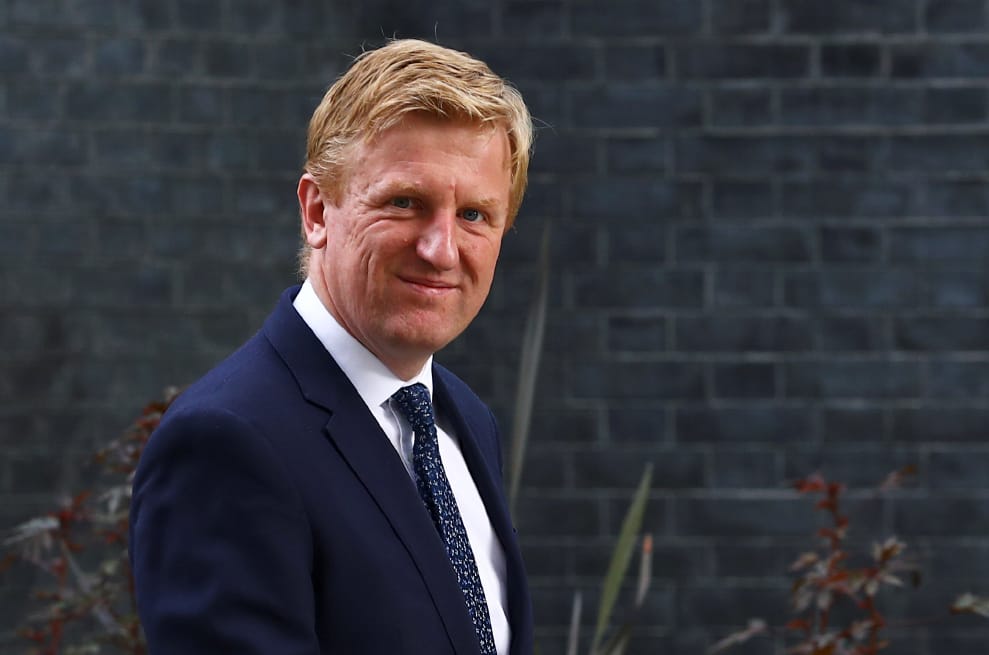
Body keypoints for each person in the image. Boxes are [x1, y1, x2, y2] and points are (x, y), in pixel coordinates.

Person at [129, 39, 534, 654]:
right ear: (317, 211)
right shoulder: (224, 443)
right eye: (405, 203)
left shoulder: (467, 420)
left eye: (475, 215)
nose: (441, 250)